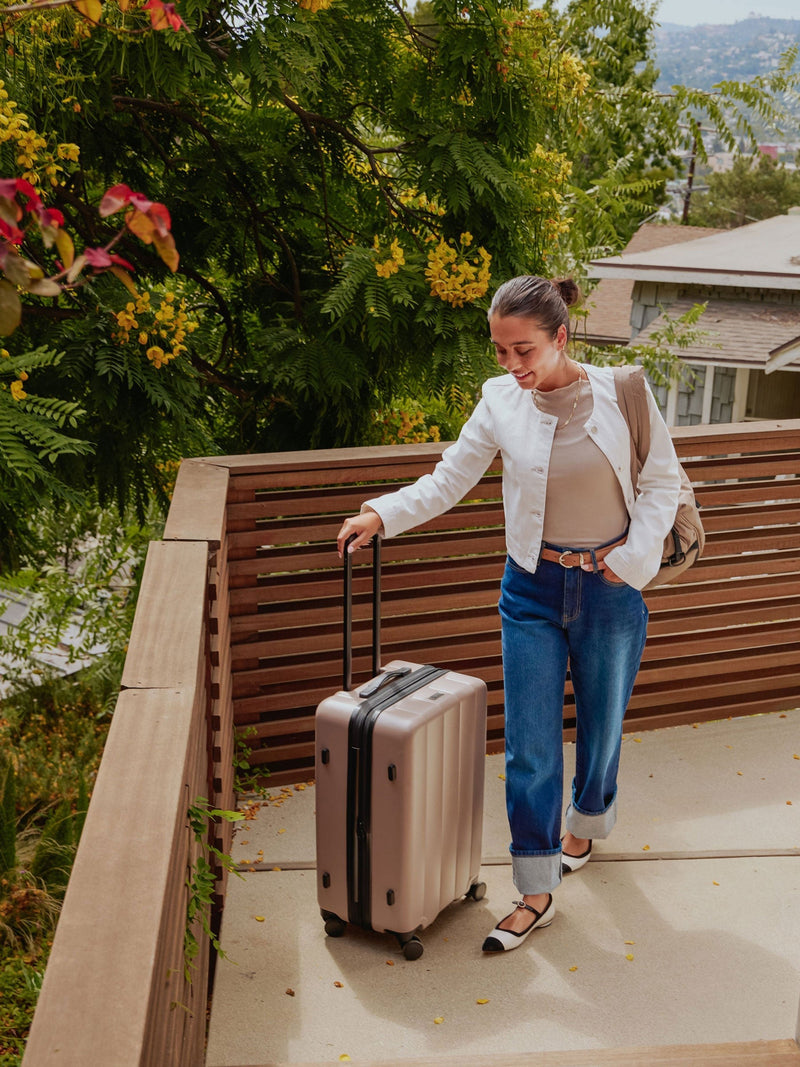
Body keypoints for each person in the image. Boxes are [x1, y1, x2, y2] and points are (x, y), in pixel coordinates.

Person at [336, 275, 681, 953]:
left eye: (523, 350)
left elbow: (661, 481)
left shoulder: (624, 392)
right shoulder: (500, 400)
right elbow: (448, 478)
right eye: (500, 352)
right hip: (531, 590)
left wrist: (634, 558)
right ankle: (535, 887)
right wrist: (383, 512)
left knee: (602, 727)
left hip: (612, 588)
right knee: (528, 747)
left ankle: (585, 823)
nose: (512, 366)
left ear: (561, 335)